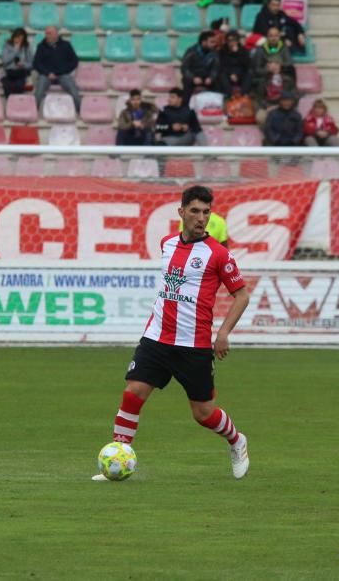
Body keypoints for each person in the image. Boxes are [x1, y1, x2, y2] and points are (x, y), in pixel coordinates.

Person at [93, 186, 250, 482]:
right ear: (181, 212)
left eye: (206, 212)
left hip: (194, 344)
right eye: (195, 211)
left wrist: (224, 334)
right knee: (133, 394)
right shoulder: (167, 244)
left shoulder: (219, 254)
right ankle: (118, 456)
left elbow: (241, 295)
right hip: (156, 337)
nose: (201, 218)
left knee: (203, 413)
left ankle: (236, 440)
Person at [33, 26, 81, 112]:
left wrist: (59, 72)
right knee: (39, 88)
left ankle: (80, 110)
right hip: (46, 75)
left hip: (62, 74)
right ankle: (33, 111)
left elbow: (74, 62)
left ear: (56, 34)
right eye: (46, 33)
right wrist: (47, 73)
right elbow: (36, 63)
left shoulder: (66, 45)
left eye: (49, 33)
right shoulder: (40, 46)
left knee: (72, 87)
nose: (47, 35)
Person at [181, 31, 220, 96]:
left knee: (218, 82)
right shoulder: (191, 51)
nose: (214, 44)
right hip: (194, 77)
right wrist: (193, 78)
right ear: (203, 42)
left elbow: (216, 68)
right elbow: (184, 68)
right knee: (186, 82)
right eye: (211, 42)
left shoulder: (214, 52)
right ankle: (186, 105)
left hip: (207, 78)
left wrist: (211, 77)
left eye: (214, 42)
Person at [218, 30, 251, 96]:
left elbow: (246, 65)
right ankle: (229, 95)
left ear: (237, 40)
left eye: (234, 40)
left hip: (240, 73)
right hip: (228, 73)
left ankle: (243, 94)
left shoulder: (243, 50)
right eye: (229, 41)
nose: (232, 43)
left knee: (249, 74)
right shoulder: (222, 51)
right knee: (222, 75)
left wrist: (238, 53)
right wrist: (230, 74)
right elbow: (222, 66)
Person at [1, 28, 32, 97]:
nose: (19, 41)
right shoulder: (7, 46)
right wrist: (15, 50)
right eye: (17, 38)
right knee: (7, 87)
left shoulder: (26, 47)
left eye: (21, 39)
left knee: (19, 87)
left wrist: (23, 64)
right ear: (13, 37)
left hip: (20, 73)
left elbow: (31, 64)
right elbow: (5, 61)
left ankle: (16, 106)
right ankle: (9, 106)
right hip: (8, 73)